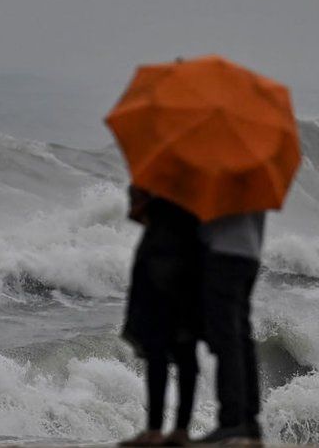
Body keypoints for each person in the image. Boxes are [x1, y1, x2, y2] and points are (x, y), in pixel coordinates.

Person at [120, 186, 202, 447]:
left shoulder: (167, 193)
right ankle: (174, 429)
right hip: (179, 276)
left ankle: (166, 429)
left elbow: (139, 210)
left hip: (169, 279)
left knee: (166, 355)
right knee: (176, 355)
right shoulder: (184, 190)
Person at [192, 212, 266, 446]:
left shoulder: (220, 179)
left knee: (227, 338)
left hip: (224, 255)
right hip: (250, 254)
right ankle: (250, 420)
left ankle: (232, 420)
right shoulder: (256, 176)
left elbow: (209, 222)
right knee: (241, 335)